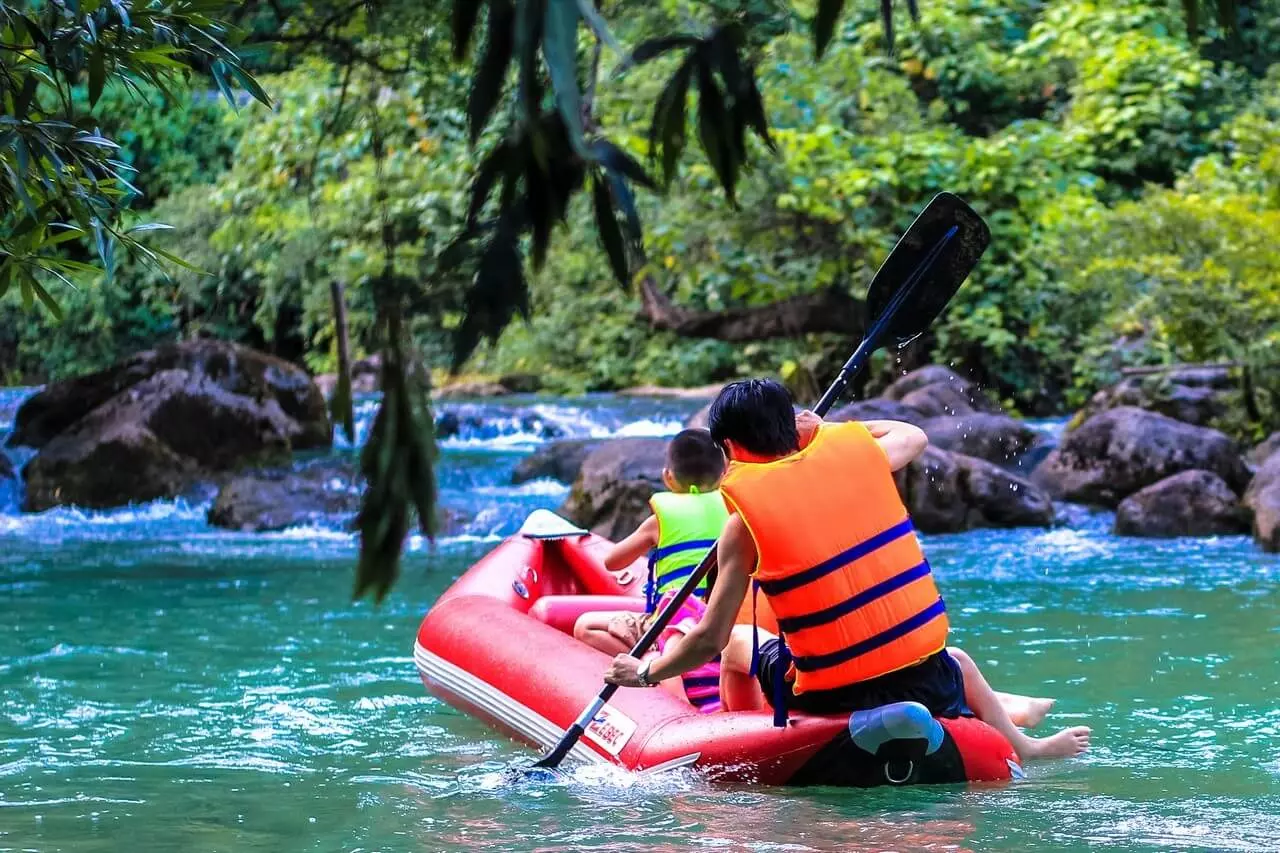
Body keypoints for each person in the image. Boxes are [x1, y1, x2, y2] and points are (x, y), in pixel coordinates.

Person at [605, 379, 1089, 762]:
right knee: (957, 659)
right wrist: (827, 429)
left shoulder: (741, 526)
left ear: (729, 446)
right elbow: (912, 434)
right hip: (923, 679)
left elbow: (709, 638)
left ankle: (750, 737)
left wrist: (645, 671)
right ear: (793, 429)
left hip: (833, 695)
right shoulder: (866, 462)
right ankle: (1025, 750)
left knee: (737, 642)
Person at [573, 428, 728, 657]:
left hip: (670, 629)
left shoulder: (657, 523)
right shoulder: (734, 512)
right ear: (724, 474)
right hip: (722, 625)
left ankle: (646, 664)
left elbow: (612, 562)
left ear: (668, 477)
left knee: (585, 626)